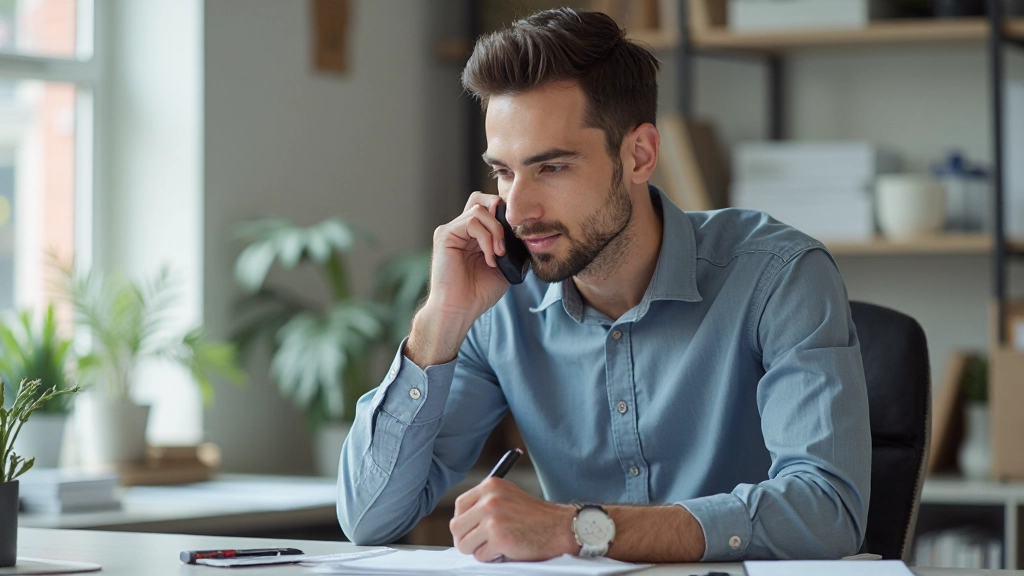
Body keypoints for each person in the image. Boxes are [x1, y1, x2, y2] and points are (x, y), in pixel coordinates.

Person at [337, 7, 870, 564]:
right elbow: (370, 520)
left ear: (639, 155)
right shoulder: (497, 300)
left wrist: (581, 529)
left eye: (553, 168)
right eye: (504, 172)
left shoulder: (778, 274)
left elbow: (826, 510)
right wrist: (438, 320)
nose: (518, 209)